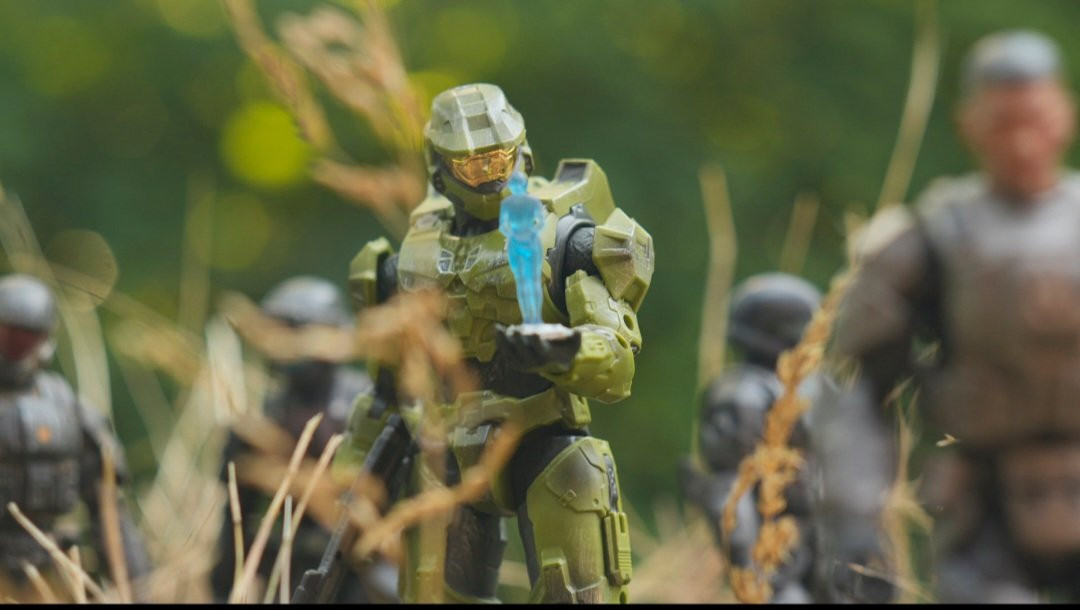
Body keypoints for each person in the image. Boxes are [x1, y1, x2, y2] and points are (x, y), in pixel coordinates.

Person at [340, 82, 654, 603]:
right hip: (445, 453)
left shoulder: (568, 242)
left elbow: (617, 363)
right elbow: (387, 387)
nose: (489, 174)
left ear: (521, 154)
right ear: (441, 171)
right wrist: (350, 478)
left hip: (544, 441)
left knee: (577, 592)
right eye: (472, 165)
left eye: (498, 158)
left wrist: (565, 352)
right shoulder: (407, 263)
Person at [813, 30, 1080, 602]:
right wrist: (855, 518)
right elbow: (859, 390)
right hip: (985, 506)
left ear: (1065, 116)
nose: (1022, 142)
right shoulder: (935, 239)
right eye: (1004, 123)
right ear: (971, 125)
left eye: (1036, 118)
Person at [211, 276, 396, 603]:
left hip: (361, 570)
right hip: (291, 572)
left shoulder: (367, 406)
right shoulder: (267, 417)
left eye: (293, 333)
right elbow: (236, 518)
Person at [0, 273, 151, 601]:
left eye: (24, 338)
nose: (12, 347)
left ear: (43, 340)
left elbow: (110, 515)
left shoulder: (69, 411)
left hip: (49, 571)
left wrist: (137, 591)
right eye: (6, 335)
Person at [681, 273, 821, 603]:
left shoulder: (803, 390)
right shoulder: (744, 396)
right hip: (776, 562)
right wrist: (754, 570)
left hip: (811, 550)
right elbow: (732, 492)